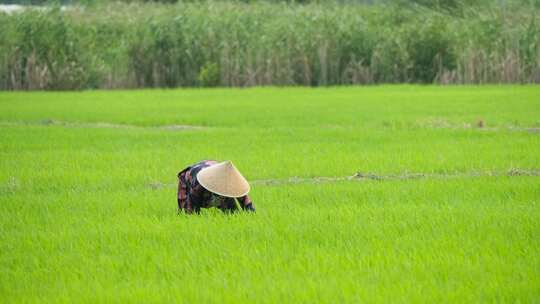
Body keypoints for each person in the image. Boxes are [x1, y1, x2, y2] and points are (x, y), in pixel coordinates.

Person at [177, 160, 256, 214]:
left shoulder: (233, 183)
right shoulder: (199, 185)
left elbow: (247, 203)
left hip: (213, 167)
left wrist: (251, 215)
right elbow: (191, 212)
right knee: (184, 211)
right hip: (193, 178)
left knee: (234, 214)